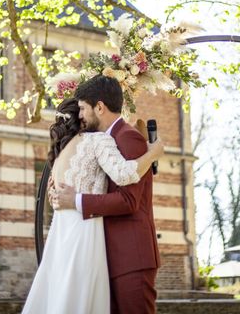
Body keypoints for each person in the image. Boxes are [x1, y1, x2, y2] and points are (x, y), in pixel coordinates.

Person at [22, 92, 164, 314]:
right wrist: (153, 154)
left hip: (67, 238)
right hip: (86, 236)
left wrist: (73, 199)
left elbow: (129, 199)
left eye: (83, 107)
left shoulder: (60, 156)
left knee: (67, 298)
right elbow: (125, 174)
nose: (83, 112)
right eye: (79, 109)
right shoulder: (97, 140)